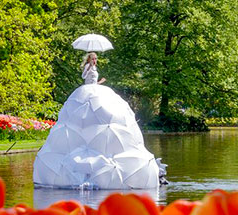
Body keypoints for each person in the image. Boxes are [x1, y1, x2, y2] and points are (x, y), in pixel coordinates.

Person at [34, 48, 164, 190]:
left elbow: (94, 81)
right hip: (86, 91)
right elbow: (85, 78)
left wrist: (100, 81)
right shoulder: (88, 67)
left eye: (96, 59)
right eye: (93, 58)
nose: (95, 61)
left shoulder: (95, 68)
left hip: (97, 90)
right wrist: (88, 69)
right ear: (89, 59)